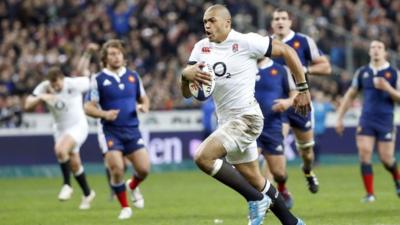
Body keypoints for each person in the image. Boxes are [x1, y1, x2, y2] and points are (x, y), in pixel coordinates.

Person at [180, 4, 310, 225]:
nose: (207, 25)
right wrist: (185, 76)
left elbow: (288, 51)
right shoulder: (200, 48)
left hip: (247, 119)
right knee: (256, 179)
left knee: (203, 157)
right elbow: (189, 94)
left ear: (227, 22)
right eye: (205, 22)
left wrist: (303, 89)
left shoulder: (247, 41)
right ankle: (292, 222)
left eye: (212, 21)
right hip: (228, 123)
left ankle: (254, 199)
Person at [24, 45, 98, 210]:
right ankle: (88, 193)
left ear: (62, 79)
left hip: (78, 125)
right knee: (74, 163)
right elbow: (27, 104)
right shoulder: (44, 87)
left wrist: (89, 55)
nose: (56, 88)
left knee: (60, 150)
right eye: (53, 85)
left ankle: (67, 185)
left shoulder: (74, 84)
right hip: (60, 129)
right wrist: (42, 97)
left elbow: (91, 78)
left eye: (57, 84)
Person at [84, 39, 150, 220]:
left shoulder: (133, 76)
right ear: (105, 58)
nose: (116, 57)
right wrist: (104, 114)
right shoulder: (98, 79)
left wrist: (144, 106)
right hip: (110, 131)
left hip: (132, 130)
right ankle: (125, 207)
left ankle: (133, 185)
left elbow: (144, 99)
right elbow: (88, 107)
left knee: (144, 169)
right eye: (112, 54)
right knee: (117, 168)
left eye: (119, 53)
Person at [271, 8, 332, 193]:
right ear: (272, 23)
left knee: (306, 152)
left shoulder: (303, 41)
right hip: (278, 104)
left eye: (283, 18)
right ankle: (277, 191)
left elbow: (326, 67)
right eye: (276, 19)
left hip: (300, 103)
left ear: (290, 22)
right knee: (274, 148)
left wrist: (306, 70)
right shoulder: (266, 44)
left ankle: (307, 171)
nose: (280, 21)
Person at [336, 40, 400, 202]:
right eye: (373, 48)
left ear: (385, 52)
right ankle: (370, 194)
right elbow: (350, 95)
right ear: (369, 52)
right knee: (364, 154)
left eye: (379, 47)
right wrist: (340, 118)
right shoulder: (362, 72)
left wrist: (388, 88)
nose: (376, 50)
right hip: (366, 119)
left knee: (387, 159)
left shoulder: (393, 73)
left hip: (385, 120)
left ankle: (397, 180)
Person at [255, 58, 297, 209]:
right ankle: (259, 203)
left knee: (279, 173)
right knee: (251, 170)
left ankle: (282, 189)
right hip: (250, 127)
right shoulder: (244, 66)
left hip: (273, 126)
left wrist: (287, 102)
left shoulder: (281, 70)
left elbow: (295, 94)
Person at [312, 90, 334, 165]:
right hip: (313, 129)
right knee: (315, 144)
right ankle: (314, 160)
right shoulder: (312, 105)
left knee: (317, 145)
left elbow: (333, 108)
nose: (320, 97)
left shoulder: (325, 105)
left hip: (321, 129)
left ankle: (315, 160)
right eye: (318, 95)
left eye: (321, 96)